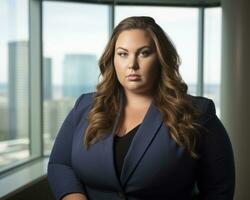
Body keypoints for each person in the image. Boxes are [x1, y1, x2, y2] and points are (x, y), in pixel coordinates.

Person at [47, 16, 235, 200]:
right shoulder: (85, 106)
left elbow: (219, 189)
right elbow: (60, 164)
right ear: (112, 59)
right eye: (123, 54)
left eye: (144, 53)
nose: (132, 64)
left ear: (161, 58)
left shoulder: (198, 113)